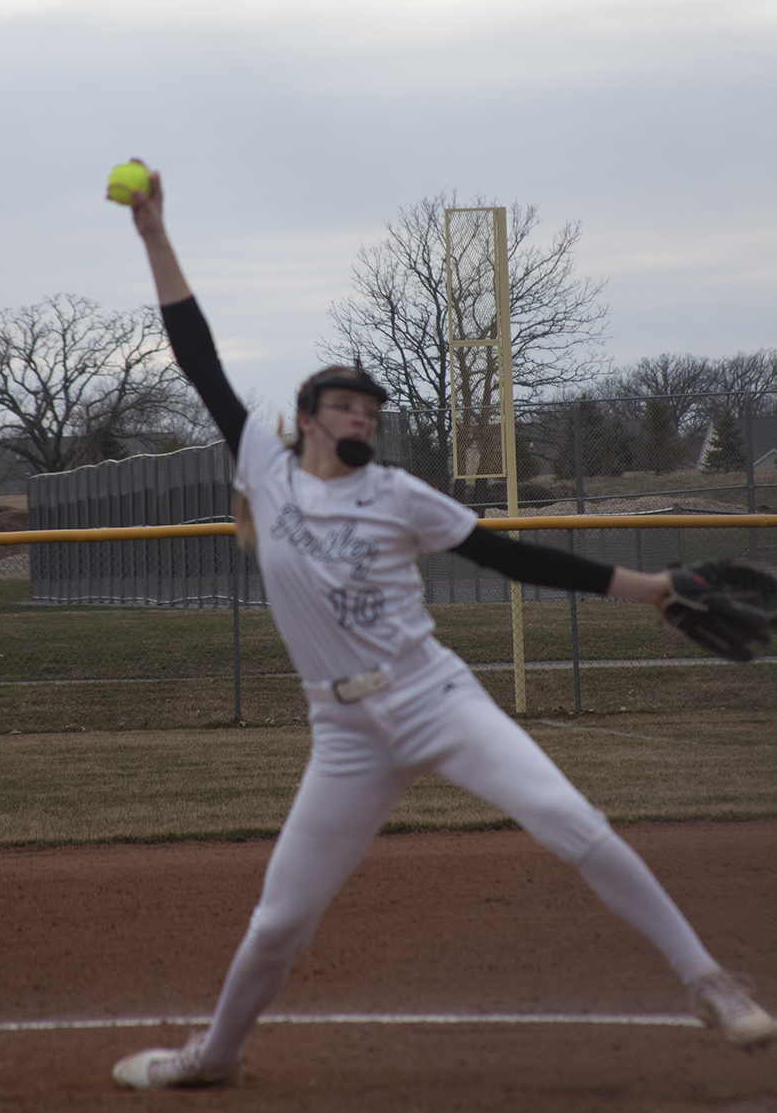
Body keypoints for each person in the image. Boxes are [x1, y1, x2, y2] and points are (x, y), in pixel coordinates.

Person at [113, 168, 777, 1089]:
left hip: (435, 698)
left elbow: (515, 560)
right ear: (306, 420)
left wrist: (653, 586)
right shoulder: (264, 467)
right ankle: (213, 1057)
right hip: (342, 734)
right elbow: (198, 357)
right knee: (277, 922)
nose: (363, 418)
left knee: (569, 820)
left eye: (373, 412)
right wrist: (153, 233)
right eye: (345, 406)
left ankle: (709, 983)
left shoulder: (399, 494)